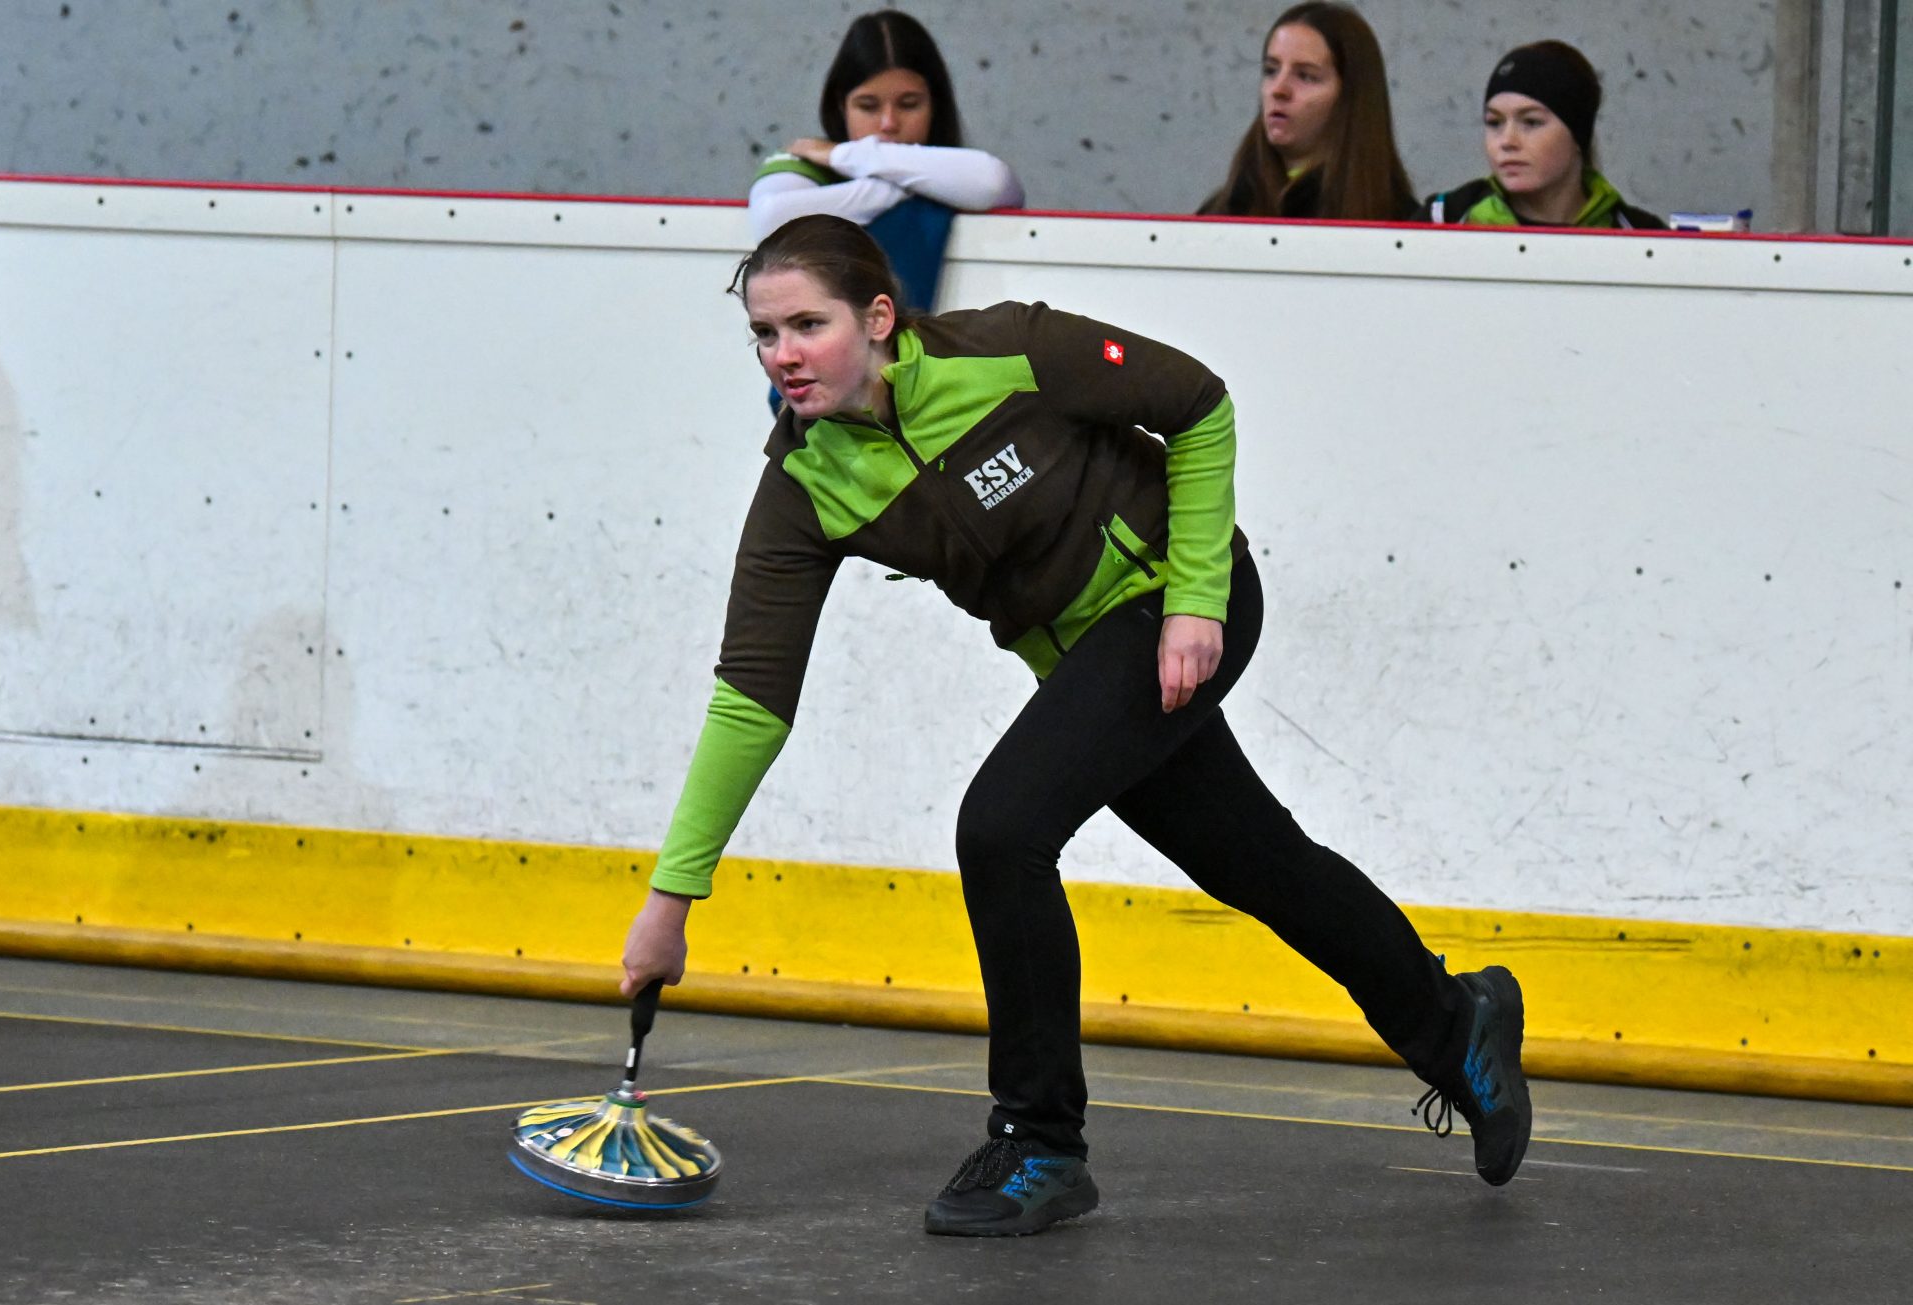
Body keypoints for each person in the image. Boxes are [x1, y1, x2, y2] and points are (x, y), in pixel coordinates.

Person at [618, 213, 1532, 1237]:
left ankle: (1039, 1143)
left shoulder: (1008, 350)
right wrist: (671, 899)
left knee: (1001, 826)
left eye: (806, 325)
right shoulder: (804, 486)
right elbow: (751, 695)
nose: (781, 355)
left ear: (878, 317)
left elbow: (1197, 404)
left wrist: (1193, 598)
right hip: (1085, 659)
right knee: (1257, 862)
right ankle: (1457, 1027)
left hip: (1179, 600)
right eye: (763, 334)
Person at [748, 10, 1022, 315]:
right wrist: (900, 184)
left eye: (909, 104)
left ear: (935, 104)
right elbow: (771, 219)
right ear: (841, 105)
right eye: (868, 106)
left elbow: (993, 183)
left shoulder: (955, 173)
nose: (889, 123)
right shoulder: (806, 161)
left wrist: (850, 156)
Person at [1196, 2, 1416, 221]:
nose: (1278, 90)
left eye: (1306, 76)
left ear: (1350, 98)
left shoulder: (1399, 224)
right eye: (1271, 71)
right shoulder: (1222, 212)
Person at [1417, 41, 1666, 229]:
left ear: (1578, 134)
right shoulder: (1442, 220)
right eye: (1494, 122)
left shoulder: (1641, 235)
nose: (1507, 141)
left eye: (1531, 122)